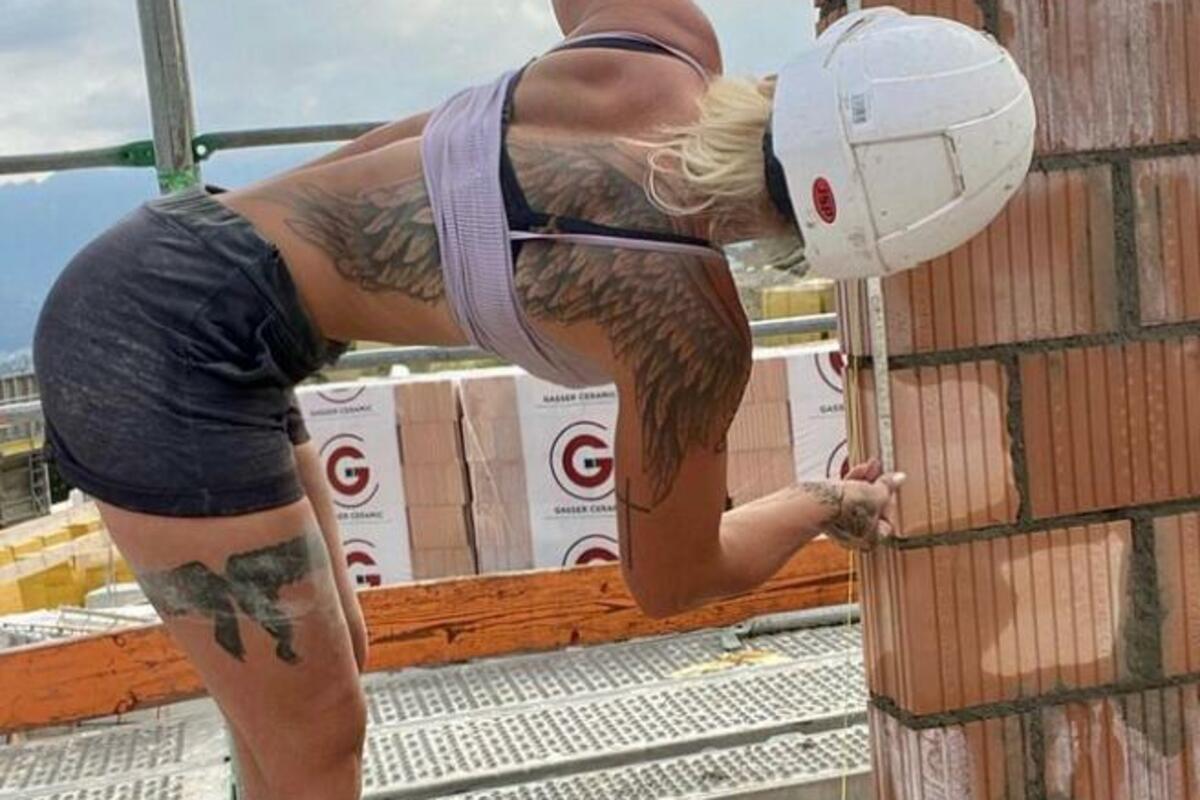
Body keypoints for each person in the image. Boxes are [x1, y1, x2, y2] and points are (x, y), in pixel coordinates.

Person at [31, 2, 1032, 798]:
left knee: (316, 694)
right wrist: (823, 501)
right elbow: (675, 576)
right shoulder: (684, 319)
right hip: (167, 341)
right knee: (319, 739)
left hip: (191, 277)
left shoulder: (666, 42)